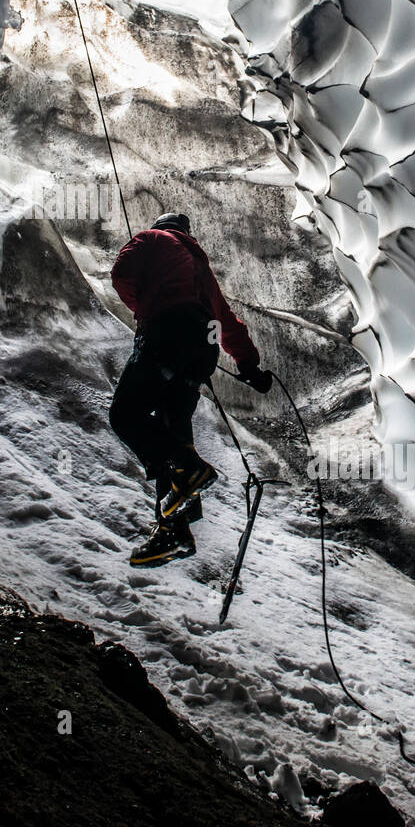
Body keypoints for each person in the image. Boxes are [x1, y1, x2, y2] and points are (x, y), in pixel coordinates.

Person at [109, 212, 272, 567]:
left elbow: (121, 272)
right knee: (172, 435)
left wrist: (145, 307)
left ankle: (189, 472)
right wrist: (249, 366)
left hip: (165, 333)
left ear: (161, 226)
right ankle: (173, 530)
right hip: (201, 352)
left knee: (125, 413)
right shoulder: (202, 273)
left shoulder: (151, 238)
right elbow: (226, 321)